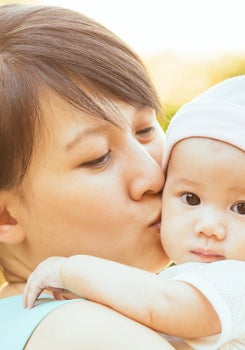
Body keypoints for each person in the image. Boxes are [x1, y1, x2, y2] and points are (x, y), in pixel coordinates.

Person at [24, 71, 245, 349]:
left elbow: (163, 305)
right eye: (191, 199)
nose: (208, 226)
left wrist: (71, 270)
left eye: (242, 208)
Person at [0, 4, 180, 350]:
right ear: (6, 215)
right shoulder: (86, 332)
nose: (152, 175)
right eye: (98, 158)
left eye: (145, 129)